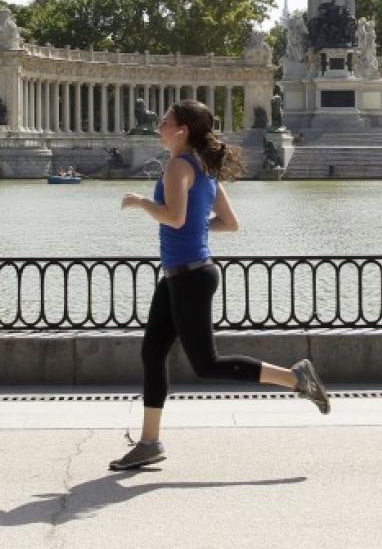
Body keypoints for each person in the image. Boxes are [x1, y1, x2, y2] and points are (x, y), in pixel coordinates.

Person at [114, 99, 330, 471]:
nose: (158, 126)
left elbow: (176, 218)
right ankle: (149, 441)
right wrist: (190, 224)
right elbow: (228, 223)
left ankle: (295, 377)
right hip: (182, 273)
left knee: (206, 364)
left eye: (165, 121)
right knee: (152, 353)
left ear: (181, 131)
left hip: (190, 275)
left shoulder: (178, 165)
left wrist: (141, 204)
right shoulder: (204, 167)